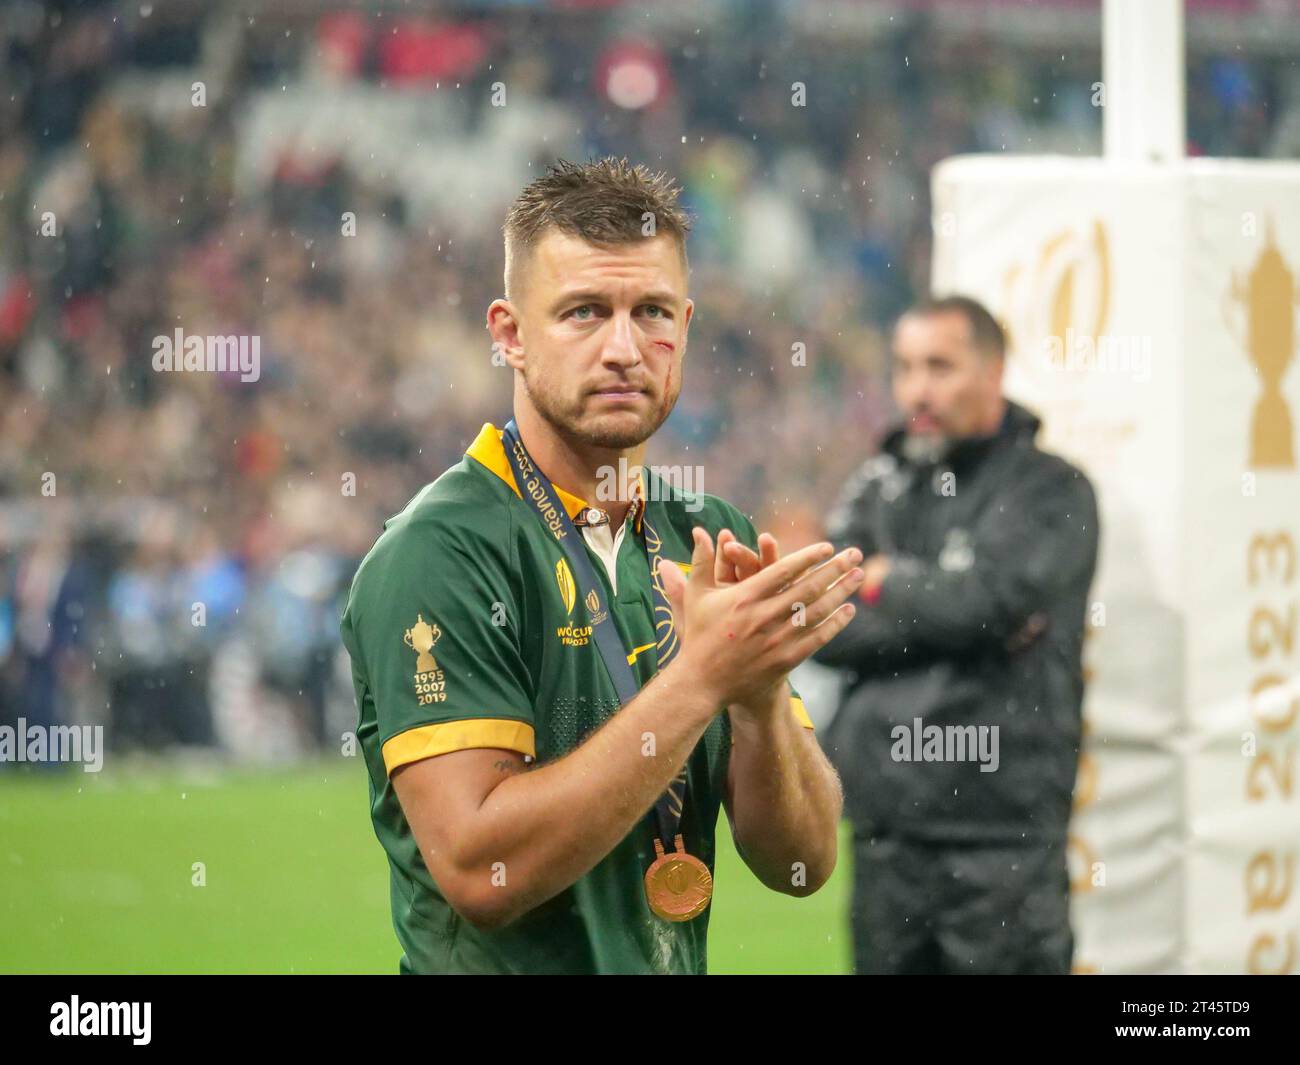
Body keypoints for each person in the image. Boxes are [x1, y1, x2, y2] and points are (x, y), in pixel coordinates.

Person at [339, 157, 860, 974]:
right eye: (584, 312)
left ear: (684, 325)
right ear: (510, 333)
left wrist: (757, 700)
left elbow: (802, 862)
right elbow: (481, 870)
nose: (623, 348)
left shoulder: (709, 531)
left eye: (650, 311)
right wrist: (701, 681)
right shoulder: (441, 552)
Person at [811, 295, 1100, 975]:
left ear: (994, 371)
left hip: (1001, 841)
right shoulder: (878, 486)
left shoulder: (1052, 490)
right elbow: (820, 622)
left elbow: (991, 601)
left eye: (939, 366)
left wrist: (884, 581)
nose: (917, 389)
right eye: (905, 367)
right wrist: (944, 603)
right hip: (887, 836)